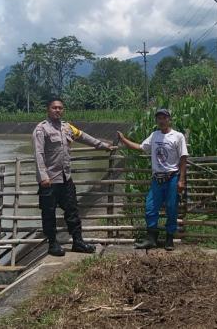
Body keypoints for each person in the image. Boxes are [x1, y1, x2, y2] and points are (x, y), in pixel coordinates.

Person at [33, 98, 114, 256]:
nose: (57, 110)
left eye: (60, 108)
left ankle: (78, 241)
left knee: (73, 210)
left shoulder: (67, 127)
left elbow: (83, 137)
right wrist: (43, 176)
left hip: (65, 178)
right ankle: (53, 244)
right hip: (49, 180)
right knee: (48, 213)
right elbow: (38, 154)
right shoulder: (41, 129)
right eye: (54, 107)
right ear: (48, 109)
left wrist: (102, 145)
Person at [117, 108, 188, 251]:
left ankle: (169, 238)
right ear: (157, 120)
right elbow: (141, 147)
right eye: (159, 118)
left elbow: (183, 158)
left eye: (164, 118)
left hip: (172, 178)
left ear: (169, 119)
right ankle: (151, 238)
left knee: (171, 208)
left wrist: (181, 180)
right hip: (157, 179)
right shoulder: (154, 135)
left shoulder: (178, 136)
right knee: (150, 207)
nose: (162, 121)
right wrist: (124, 140)